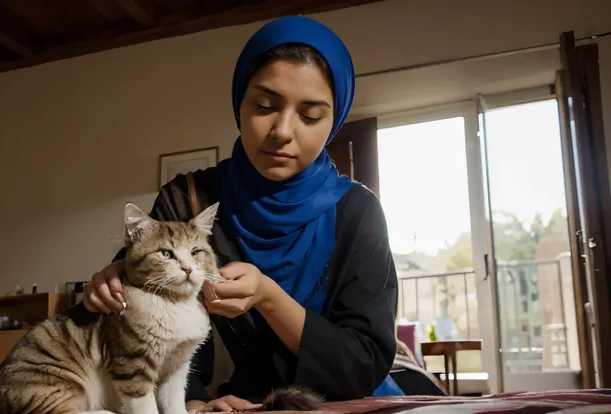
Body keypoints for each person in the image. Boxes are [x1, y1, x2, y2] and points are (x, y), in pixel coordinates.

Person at [83, 15, 400, 412]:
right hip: (235, 404)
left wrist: (268, 297)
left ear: (334, 121)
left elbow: (363, 364)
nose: (282, 131)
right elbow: (138, 329)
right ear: (239, 101)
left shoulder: (357, 211)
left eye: (311, 116)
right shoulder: (190, 201)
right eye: (265, 105)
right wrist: (194, 401)